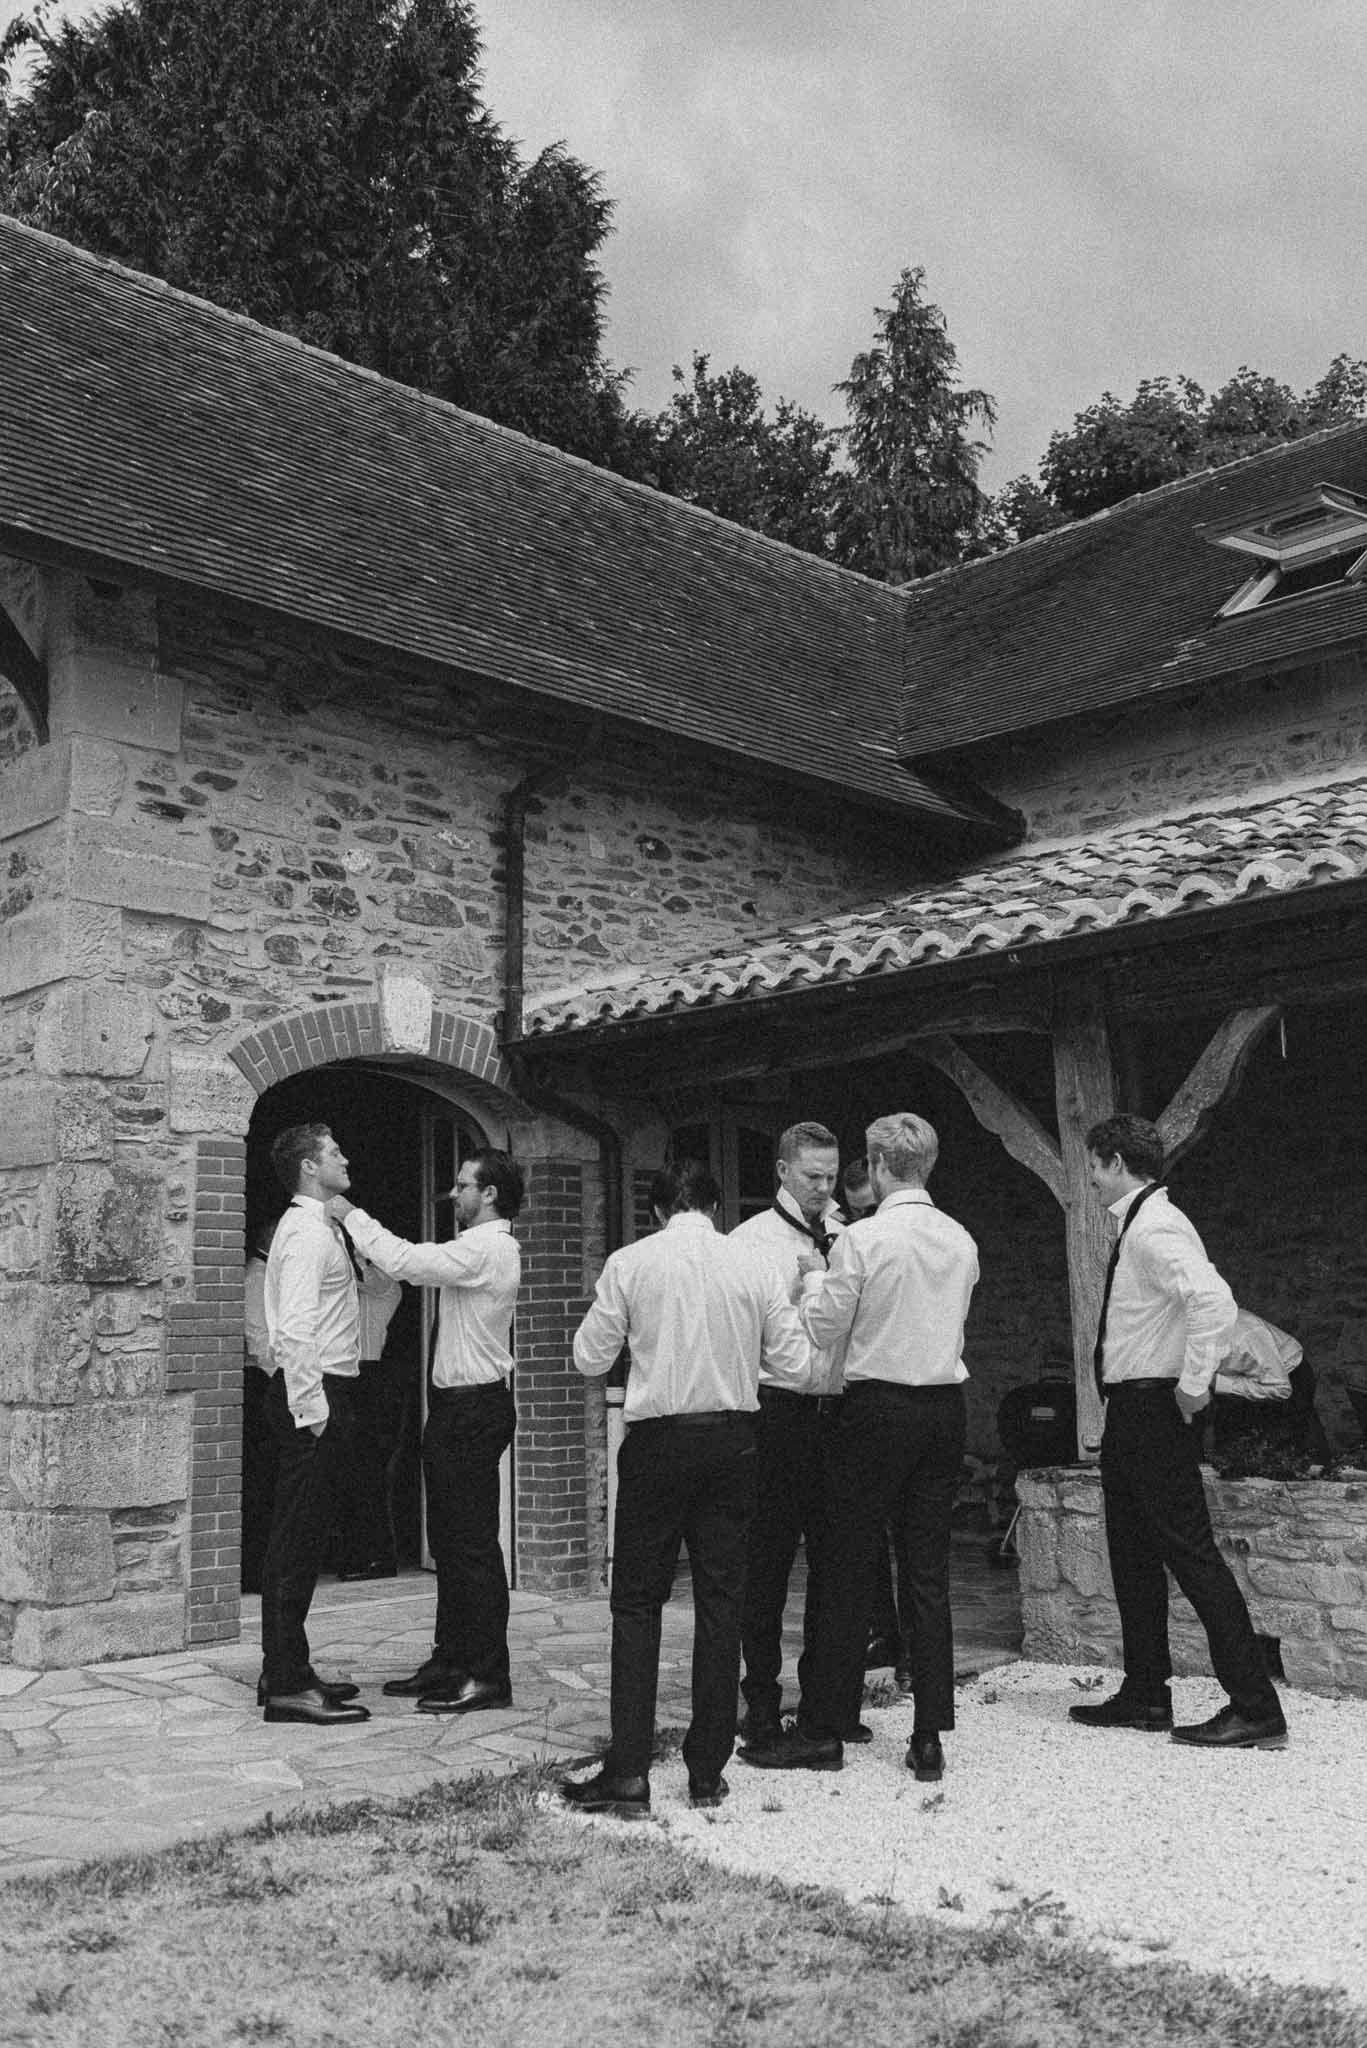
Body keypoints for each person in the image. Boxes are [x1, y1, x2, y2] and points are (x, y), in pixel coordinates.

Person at [560, 1160, 812, 1818]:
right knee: (720, 1601)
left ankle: (628, 1773)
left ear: (656, 1210)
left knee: (637, 1604)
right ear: (714, 1206)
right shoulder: (752, 1265)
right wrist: (737, 1352)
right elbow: (795, 1364)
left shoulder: (630, 1262)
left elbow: (588, 1357)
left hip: (659, 1442)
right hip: (734, 1441)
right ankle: (706, 1770)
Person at [741, 1112, 977, 1783]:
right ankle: (928, 1734)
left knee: (845, 1567)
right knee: (926, 1576)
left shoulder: (864, 1240)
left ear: (875, 1164)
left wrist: (812, 1280)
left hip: (875, 1411)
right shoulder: (960, 1240)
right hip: (944, 1411)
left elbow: (819, 1327)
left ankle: (821, 1729)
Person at [1068, 1115, 1287, 1750]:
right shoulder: (1139, 1224)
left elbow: (1213, 1302)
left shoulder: (1156, 1227)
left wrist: (1195, 1384)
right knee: (1132, 1554)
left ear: (1111, 1161)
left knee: (1191, 1555)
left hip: (1153, 1412)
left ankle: (1256, 1705)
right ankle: (1143, 1694)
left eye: (1092, 1163)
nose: (1088, 1175)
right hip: (1130, 1415)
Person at [333, 1150, 524, 1715]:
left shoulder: (490, 1247)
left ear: (489, 1195)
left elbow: (407, 1262)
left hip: (473, 1410)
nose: (453, 1193)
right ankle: (452, 1659)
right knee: (448, 1544)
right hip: (455, 1409)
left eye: (463, 1185)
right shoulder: (479, 1246)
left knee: (471, 1548)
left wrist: (350, 1215)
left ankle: (488, 1674)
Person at [728, 1121, 848, 1751]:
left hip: (841, 1416)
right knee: (767, 1565)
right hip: (777, 1413)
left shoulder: (852, 1238)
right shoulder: (747, 1243)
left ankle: (824, 1705)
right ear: (781, 1171)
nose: (823, 1188)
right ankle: (762, 1703)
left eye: (830, 1177)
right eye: (811, 1177)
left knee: (834, 1566)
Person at [258, 1125, 369, 1725]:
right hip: (314, 1392)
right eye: (334, 1151)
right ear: (308, 1166)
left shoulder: (320, 1224)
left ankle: (286, 1667)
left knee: (300, 1538)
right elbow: (294, 1330)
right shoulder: (304, 1232)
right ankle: (285, 1685)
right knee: (296, 1543)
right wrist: (315, 1411)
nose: (345, 1157)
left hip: (326, 1389)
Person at [845, 1153, 910, 1684]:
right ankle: (882, 1631)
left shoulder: (895, 1244)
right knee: (864, 1538)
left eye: (869, 1210)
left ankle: (910, 1646)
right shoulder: (851, 1243)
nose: (862, 1222)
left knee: (911, 1540)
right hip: (854, 1402)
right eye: (855, 1213)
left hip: (900, 1399)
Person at [335, 1252, 404, 1580]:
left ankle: (379, 1557)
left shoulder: (388, 1286)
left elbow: (375, 1280)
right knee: (348, 1472)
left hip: (371, 1378)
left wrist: (363, 1256)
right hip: (347, 1377)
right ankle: (354, 1553)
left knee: (370, 1472)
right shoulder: (351, 1290)